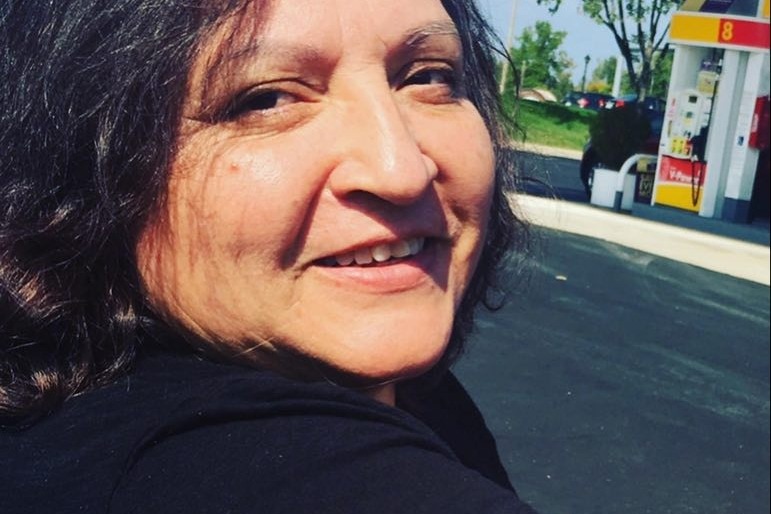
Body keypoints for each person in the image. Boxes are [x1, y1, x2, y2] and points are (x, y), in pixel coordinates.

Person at [0, 0, 537, 512]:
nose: (401, 171)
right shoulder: (245, 473)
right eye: (268, 100)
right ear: (84, 171)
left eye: (428, 77)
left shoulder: (398, 392)